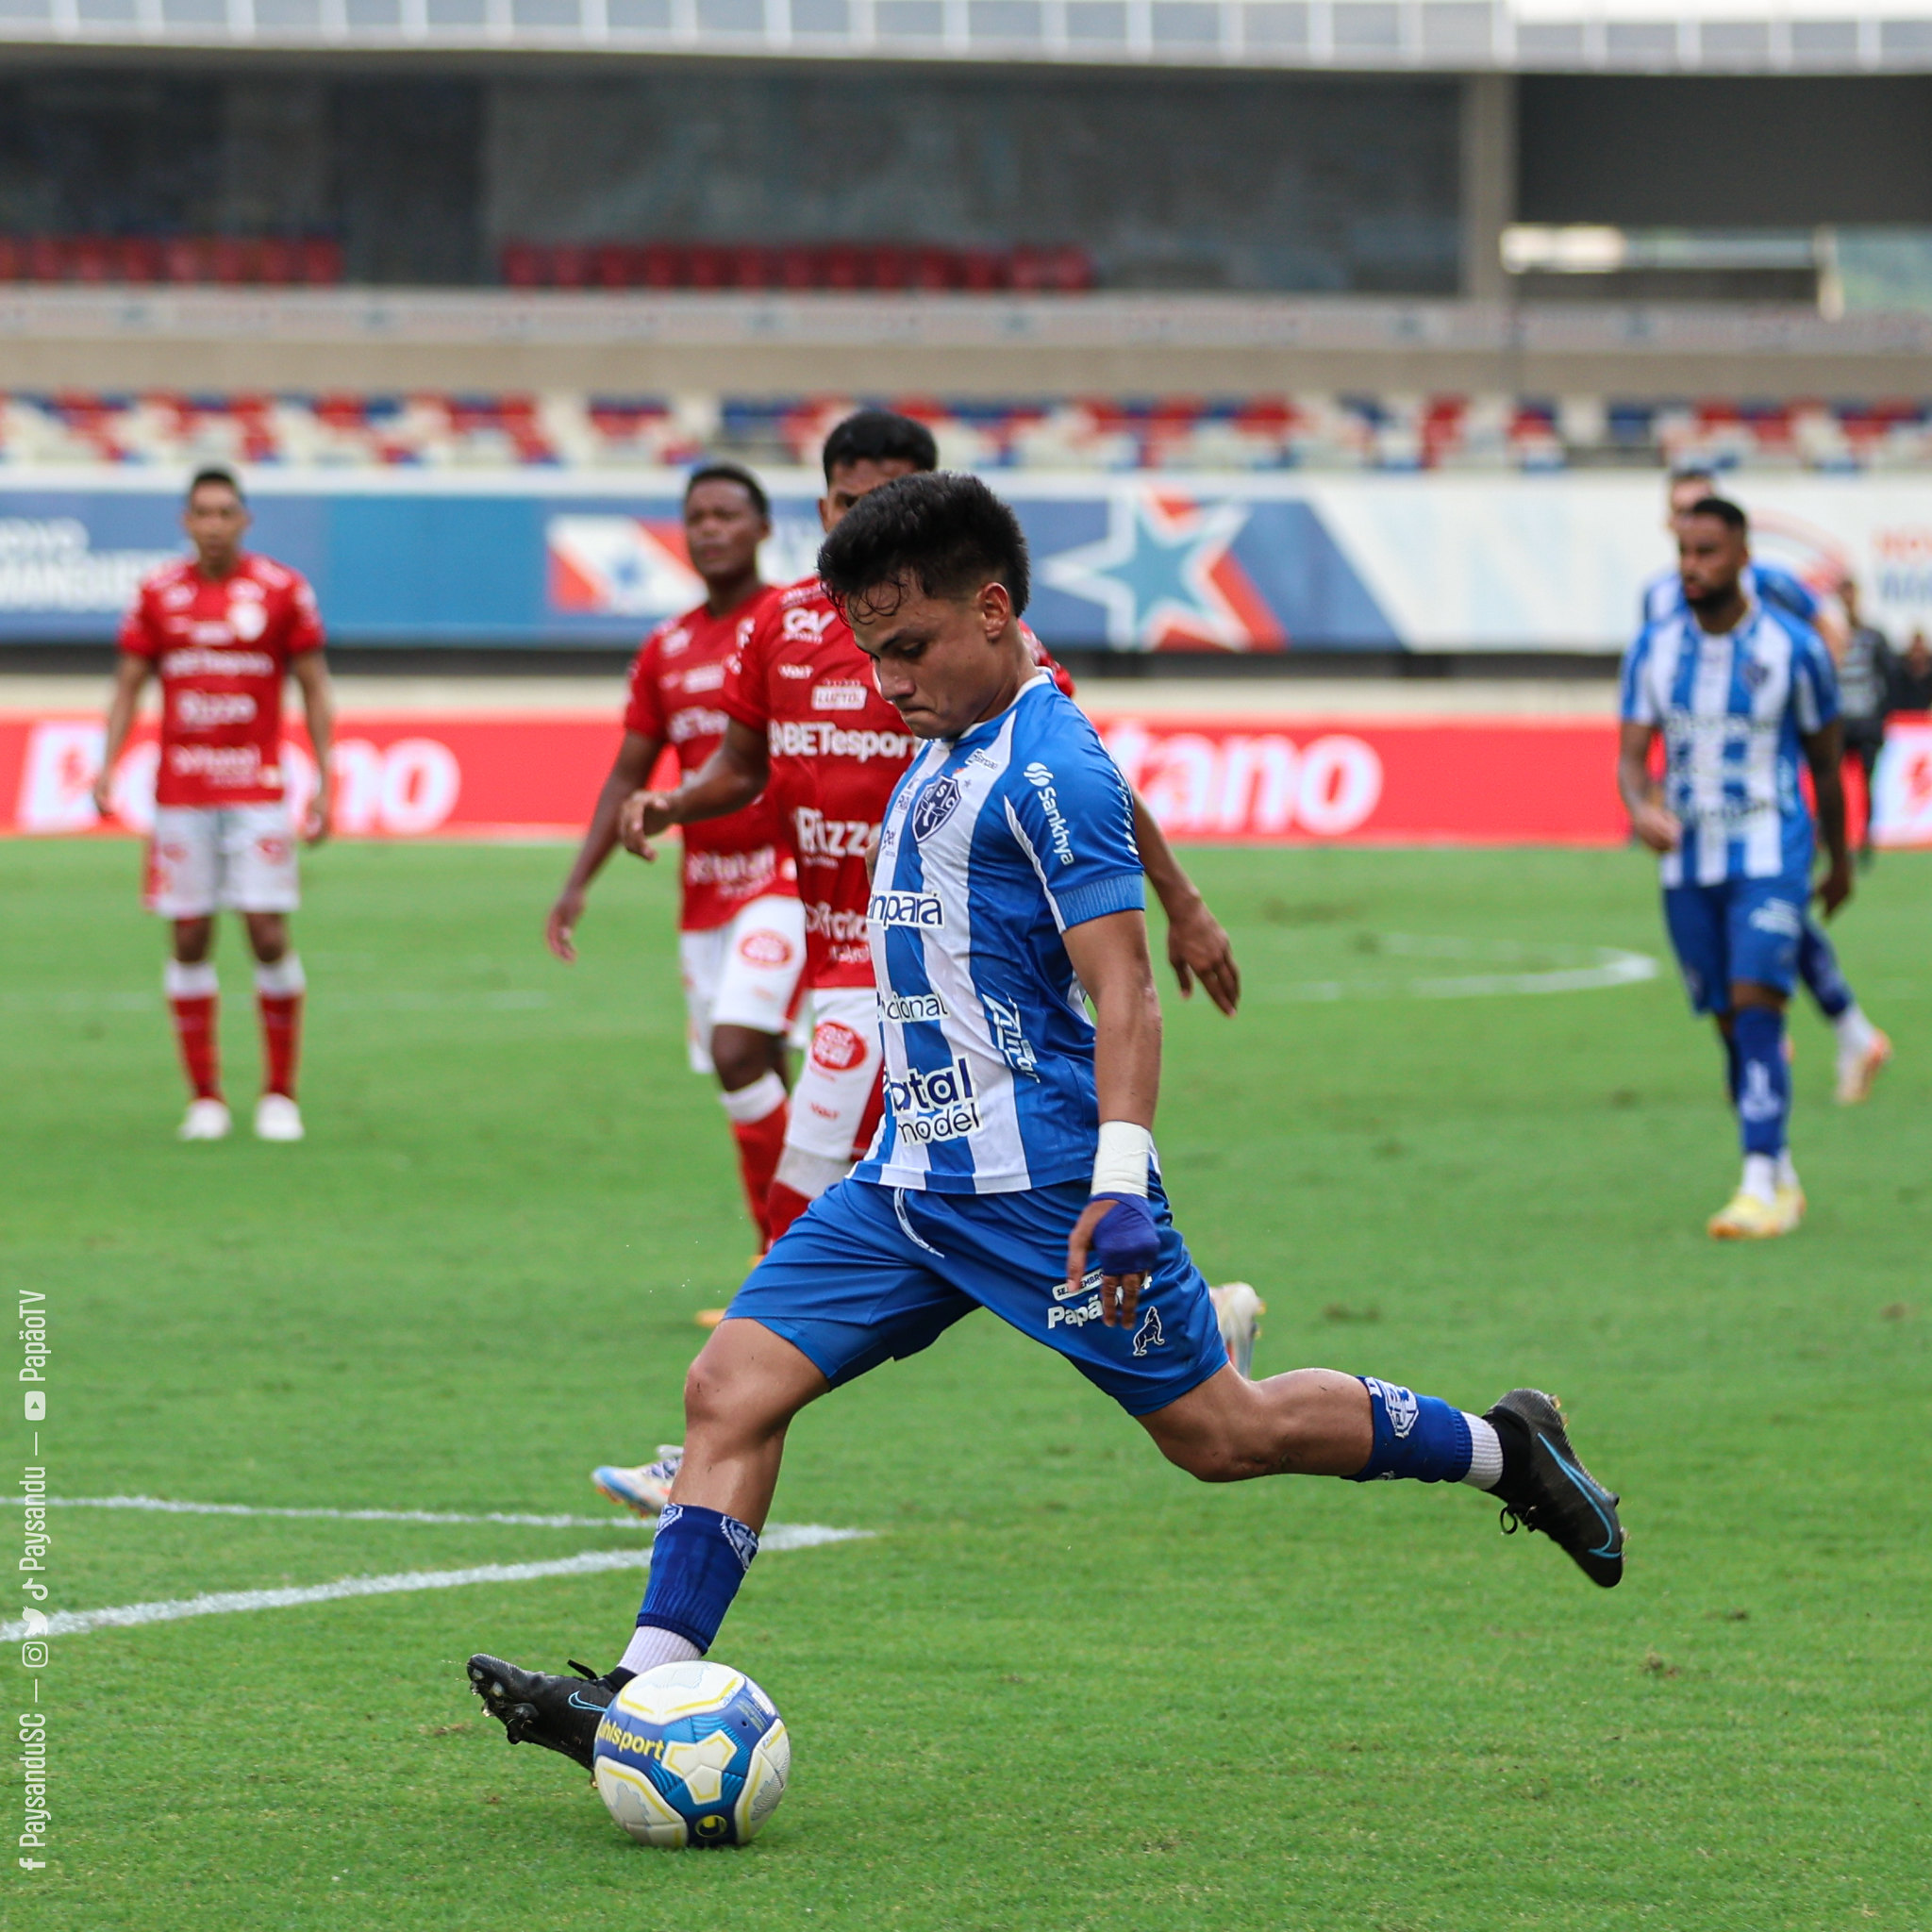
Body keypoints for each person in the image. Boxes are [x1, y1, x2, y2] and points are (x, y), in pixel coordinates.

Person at [466, 472, 1624, 1775]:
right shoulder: (947, 746)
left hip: (1046, 1194)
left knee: (1223, 1438)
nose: (890, 680)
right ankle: (640, 1693)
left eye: (909, 649)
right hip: (908, 1185)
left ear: (996, 609)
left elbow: (1123, 994)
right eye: (871, 655)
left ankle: (1503, 1450)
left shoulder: (1051, 764)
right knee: (726, 1391)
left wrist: (1118, 1187)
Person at [587, 412, 1255, 1518]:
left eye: (894, 496)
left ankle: (716, 1431)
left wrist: (1180, 899)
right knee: (797, 1143)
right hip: (836, 943)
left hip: (919, 981)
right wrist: (670, 799)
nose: (889, 670)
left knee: (804, 1178)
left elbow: (1081, 790)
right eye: (851, 503)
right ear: (826, 512)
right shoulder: (789, 633)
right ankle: (1193, 1328)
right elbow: (744, 763)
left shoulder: (985, 663)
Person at [547, 464, 802, 1248]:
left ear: (763, 529)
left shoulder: (793, 624)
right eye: (697, 517)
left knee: (736, 1053)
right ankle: (790, 1257)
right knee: (758, 1066)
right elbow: (630, 772)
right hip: (704, 891)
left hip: (787, 876)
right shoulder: (668, 646)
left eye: (728, 514)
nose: (711, 529)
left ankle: (797, 1250)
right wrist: (578, 881)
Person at [1618, 496, 1852, 1240]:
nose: (1692, 568)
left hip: (1769, 847)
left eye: (1708, 553)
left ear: (1744, 556)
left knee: (1757, 1002)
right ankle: (1779, 1172)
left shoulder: (1794, 649)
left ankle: (1755, 1183)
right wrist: (1640, 806)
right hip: (1689, 863)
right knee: (1729, 1020)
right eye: (1685, 553)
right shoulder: (1653, 648)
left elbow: (1825, 762)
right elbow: (1630, 757)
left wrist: (1840, 860)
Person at [92, 466, 331, 1142]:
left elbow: (314, 687)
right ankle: (206, 1098)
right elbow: (129, 684)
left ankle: (280, 1094)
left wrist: (326, 780)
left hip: (257, 788)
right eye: (203, 512)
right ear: (186, 522)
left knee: (266, 931)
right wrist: (108, 764)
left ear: (245, 520)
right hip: (182, 791)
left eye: (226, 512)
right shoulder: (158, 594)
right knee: (190, 935)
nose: (215, 524)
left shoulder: (283, 592)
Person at [1642, 467, 1889, 1108]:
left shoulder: (1771, 587)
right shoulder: (1659, 603)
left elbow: (1827, 629)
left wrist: (1808, 699)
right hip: (1697, 797)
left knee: (1769, 901)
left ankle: (1787, 1061)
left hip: (1762, 785)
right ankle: (1842, 1032)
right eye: (1680, 513)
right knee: (1764, 915)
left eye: (1702, 510)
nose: (1690, 524)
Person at [1834, 576, 1896, 868]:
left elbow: (1892, 674)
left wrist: (1881, 714)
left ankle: (1867, 841)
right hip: (1839, 723)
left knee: (1867, 783)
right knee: (1833, 783)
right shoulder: (1832, 635)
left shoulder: (1872, 636)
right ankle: (1833, 840)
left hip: (1866, 722)